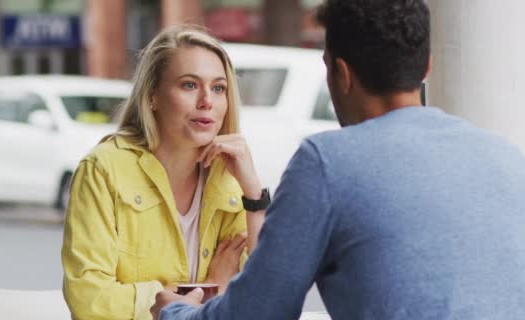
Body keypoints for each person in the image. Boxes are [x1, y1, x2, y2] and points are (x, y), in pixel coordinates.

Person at [151, 0, 525, 319]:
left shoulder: (327, 163)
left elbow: (258, 312)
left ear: (341, 74)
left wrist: (174, 311)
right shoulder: (508, 158)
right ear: (426, 66)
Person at [61, 26, 268, 320]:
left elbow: (268, 300)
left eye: (218, 88)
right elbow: (89, 300)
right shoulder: (103, 171)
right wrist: (206, 293)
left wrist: (254, 193)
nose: (207, 101)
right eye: (189, 85)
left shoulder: (231, 184)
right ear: (152, 96)